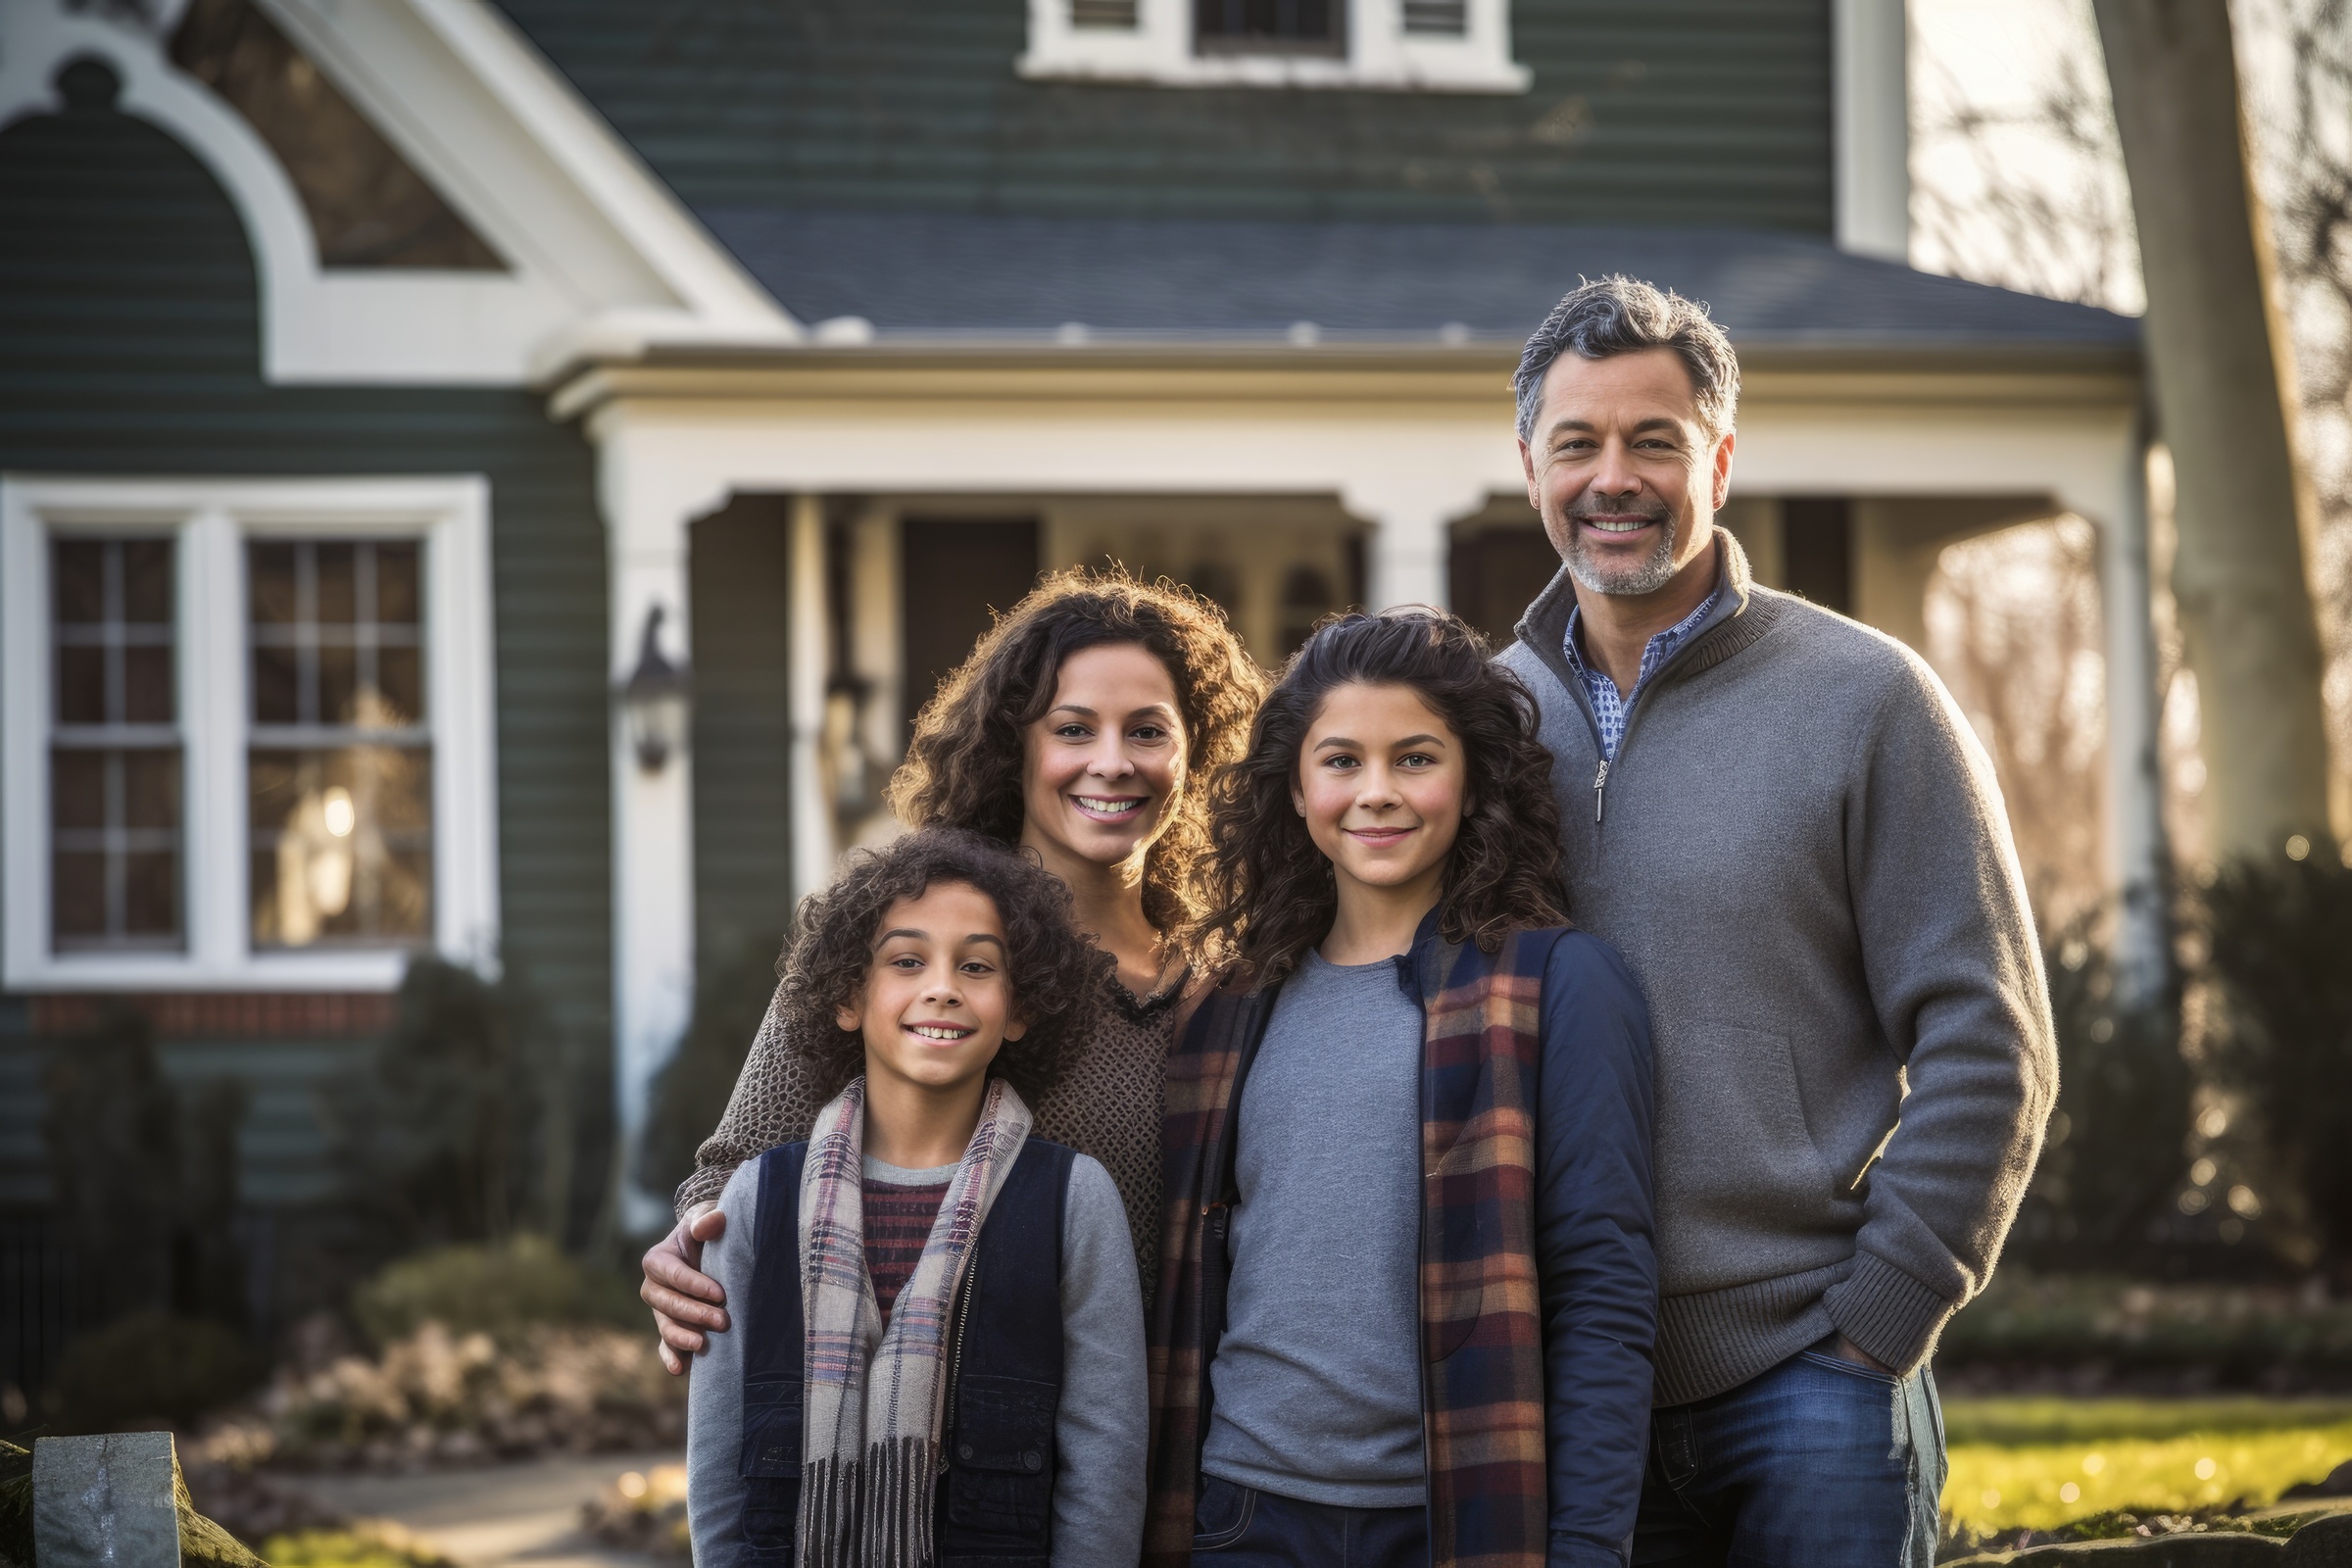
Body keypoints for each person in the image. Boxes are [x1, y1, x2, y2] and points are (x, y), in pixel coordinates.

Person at [1498, 275, 2058, 1566]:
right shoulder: (1478, 724)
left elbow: (1993, 1039)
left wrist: (1880, 1322)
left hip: (1815, 1373)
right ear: (1529, 462)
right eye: (1577, 442)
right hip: (1567, 1386)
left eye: (1656, 440)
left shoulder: (1867, 700)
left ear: (1723, 460)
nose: (1613, 477)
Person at [644, 571, 1264, 1372]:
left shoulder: (1230, 976)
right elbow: (735, 1172)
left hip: (1181, 1432)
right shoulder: (913, 950)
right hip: (973, 1430)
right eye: (1073, 730)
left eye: (1147, 731)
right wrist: (690, 1254)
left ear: (1196, 746)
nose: (1112, 763)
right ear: (1017, 746)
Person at [1147, 610, 1657, 1568]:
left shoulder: (1560, 984)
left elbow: (1601, 1284)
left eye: (1415, 758)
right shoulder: (1227, 1007)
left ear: (1473, 782)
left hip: (1455, 1518)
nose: (1376, 792)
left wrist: (1588, 1545)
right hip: (1241, 1513)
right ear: (1296, 790)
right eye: (1341, 760)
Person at [686, 828, 1148, 1568]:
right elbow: (716, 1472)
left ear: (1019, 1008)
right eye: (907, 961)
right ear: (848, 995)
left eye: (976, 966)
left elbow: (1105, 1473)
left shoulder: (1073, 1201)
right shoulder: (754, 1200)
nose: (943, 986)